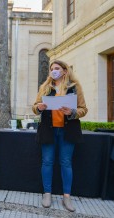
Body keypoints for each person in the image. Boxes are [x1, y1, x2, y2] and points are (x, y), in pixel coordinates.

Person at [32, 60, 87, 212]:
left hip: (67, 131)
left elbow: (83, 109)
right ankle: (47, 194)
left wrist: (72, 112)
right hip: (48, 130)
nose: (53, 71)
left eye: (57, 68)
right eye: (51, 69)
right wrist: (39, 107)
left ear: (64, 71)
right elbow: (34, 107)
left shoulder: (74, 87)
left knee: (66, 162)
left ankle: (67, 197)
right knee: (47, 162)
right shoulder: (44, 87)